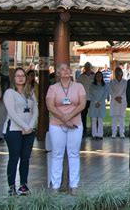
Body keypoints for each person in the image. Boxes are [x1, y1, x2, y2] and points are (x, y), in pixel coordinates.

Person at [46, 63, 86, 195]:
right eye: (62, 69)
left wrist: (69, 117)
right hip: (57, 125)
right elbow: (50, 106)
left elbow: (82, 104)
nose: (66, 71)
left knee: (73, 154)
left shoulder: (79, 86)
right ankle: (55, 186)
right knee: (57, 154)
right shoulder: (53, 88)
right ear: (57, 73)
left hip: (75, 124)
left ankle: (74, 185)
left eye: (67, 69)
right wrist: (64, 119)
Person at [3, 68, 38, 196]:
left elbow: (36, 110)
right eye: (18, 76)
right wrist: (24, 126)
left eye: (22, 75)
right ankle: (11, 186)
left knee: (25, 158)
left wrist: (30, 126)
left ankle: (23, 185)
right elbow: (12, 113)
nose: (20, 78)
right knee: (14, 157)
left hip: (28, 131)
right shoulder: (9, 93)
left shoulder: (30, 91)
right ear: (14, 78)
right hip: (13, 130)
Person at [76, 62, 94, 137]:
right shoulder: (80, 77)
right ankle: (83, 132)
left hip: (92, 98)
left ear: (91, 67)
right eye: (86, 67)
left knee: (93, 116)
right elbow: (77, 88)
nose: (88, 68)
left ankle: (94, 132)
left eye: (89, 67)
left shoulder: (94, 76)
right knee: (83, 116)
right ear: (85, 68)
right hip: (84, 99)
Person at [109, 67, 127, 138]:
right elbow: (110, 91)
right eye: (116, 72)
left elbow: (126, 91)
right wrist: (116, 97)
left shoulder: (125, 82)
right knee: (114, 118)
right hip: (114, 101)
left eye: (119, 72)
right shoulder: (112, 82)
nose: (118, 73)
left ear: (122, 73)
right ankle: (114, 133)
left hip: (122, 101)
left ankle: (122, 133)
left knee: (122, 118)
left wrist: (121, 97)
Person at [88, 71, 107, 140]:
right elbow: (90, 94)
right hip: (93, 104)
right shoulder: (92, 85)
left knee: (100, 119)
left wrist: (100, 102)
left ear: (102, 77)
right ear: (95, 77)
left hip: (101, 104)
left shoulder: (104, 85)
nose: (99, 77)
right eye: (97, 76)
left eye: (100, 76)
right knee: (93, 119)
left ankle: (100, 134)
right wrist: (96, 101)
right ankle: (94, 134)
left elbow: (105, 94)